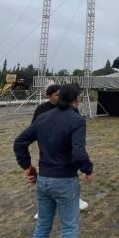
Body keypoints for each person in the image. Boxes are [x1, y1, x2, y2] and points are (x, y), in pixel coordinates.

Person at [14, 84, 94, 238]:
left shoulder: (42, 117)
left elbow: (19, 142)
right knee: (69, 229)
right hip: (65, 180)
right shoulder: (77, 120)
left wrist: (27, 167)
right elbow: (79, 153)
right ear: (76, 100)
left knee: (42, 226)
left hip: (43, 180)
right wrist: (88, 170)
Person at [31, 84, 88, 219]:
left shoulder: (69, 109)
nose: (59, 96)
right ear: (49, 96)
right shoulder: (41, 109)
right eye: (56, 94)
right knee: (47, 177)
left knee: (70, 173)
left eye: (60, 94)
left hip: (67, 149)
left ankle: (75, 199)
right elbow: (34, 128)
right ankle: (44, 208)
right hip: (48, 148)